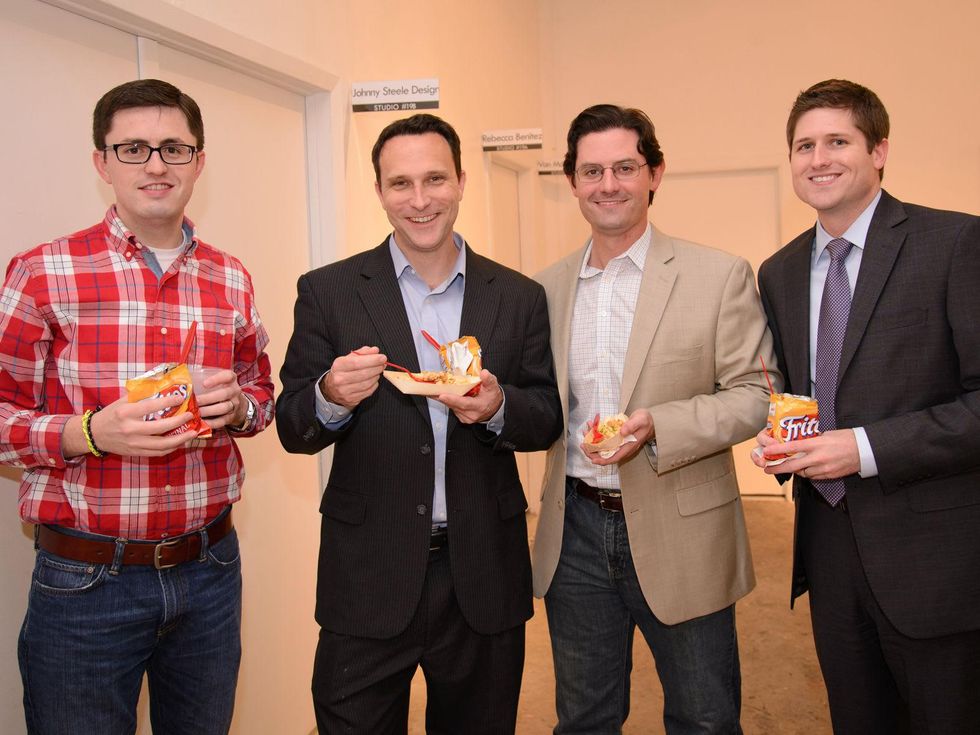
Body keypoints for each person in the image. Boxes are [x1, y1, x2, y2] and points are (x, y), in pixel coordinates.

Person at [0, 79, 274, 734]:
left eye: (174, 148)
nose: (156, 165)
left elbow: (262, 397)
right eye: (134, 149)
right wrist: (89, 431)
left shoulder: (230, 275)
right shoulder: (44, 272)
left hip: (209, 570)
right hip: (85, 580)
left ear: (198, 162)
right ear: (102, 163)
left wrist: (238, 405)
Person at [275, 113, 562, 734]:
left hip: (482, 571)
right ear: (379, 191)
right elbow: (293, 427)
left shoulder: (517, 296)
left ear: (462, 181)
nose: (420, 199)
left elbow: (544, 418)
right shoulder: (329, 291)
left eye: (435, 179)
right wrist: (329, 394)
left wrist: (497, 407)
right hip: (368, 574)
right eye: (400, 183)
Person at [532, 103, 778, 734]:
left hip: (683, 526)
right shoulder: (546, 288)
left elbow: (754, 393)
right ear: (572, 183)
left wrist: (659, 425)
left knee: (704, 718)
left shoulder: (717, 275)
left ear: (655, 174)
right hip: (576, 531)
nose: (607, 184)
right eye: (592, 171)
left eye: (624, 167)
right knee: (584, 719)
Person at [752, 78, 980, 734]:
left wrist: (866, 447)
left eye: (837, 141)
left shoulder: (953, 245)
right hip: (828, 549)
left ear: (879, 151)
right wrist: (782, 441)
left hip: (935, 559)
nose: (818, 158)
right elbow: (800, 390)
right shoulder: (780, 269)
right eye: (803, 145)